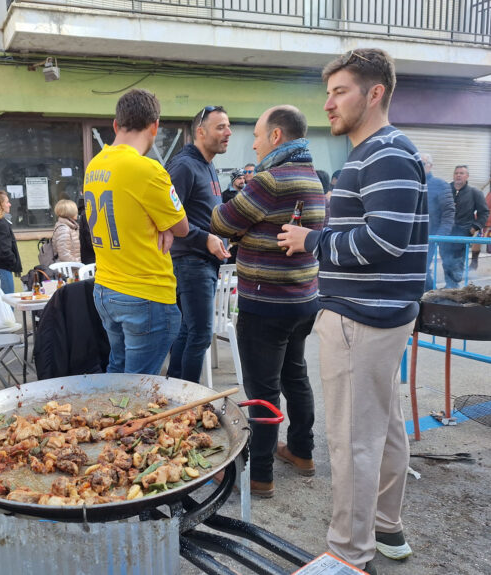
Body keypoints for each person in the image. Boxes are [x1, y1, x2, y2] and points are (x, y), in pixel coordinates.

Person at [278, 48, 427, 575]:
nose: (329, 103)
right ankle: (385, 528)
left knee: (351, 440)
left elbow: (383, 242)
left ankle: (347, 554)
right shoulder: (379, 152)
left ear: (375, 92)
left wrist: (311, 240)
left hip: (361, 318)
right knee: (381, 429)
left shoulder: (384, 152)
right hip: (377, 315)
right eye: (328, 92)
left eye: (340, 91)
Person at [211, 105, 325, 498]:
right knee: (296, 376)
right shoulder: (313, 177)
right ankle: (301, 451)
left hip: (266, 303)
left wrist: (229, 203)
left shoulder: (270, 181)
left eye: (258, 135)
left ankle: (259, 475)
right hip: (303, 300)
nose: (254, 143)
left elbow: (222, 221)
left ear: (277, 136)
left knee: (263, 388)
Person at [84, 88, 189, 375]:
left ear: (116, 125)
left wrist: (157, 222)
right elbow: (181, 227)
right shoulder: (148, 170)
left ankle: (112, 421)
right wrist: (162, 224)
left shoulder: (94, 165)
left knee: (117, 378)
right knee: (139, 392)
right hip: (146, 293)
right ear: (155, 126)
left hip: (106, 289)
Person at [165, 106, 231, 383]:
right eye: (220, 127)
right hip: (191, 261)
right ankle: (188, 399)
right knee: (201, 334)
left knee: (188, 331)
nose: (228, 133)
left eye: (228, 126)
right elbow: (167, 216)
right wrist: (205, 238)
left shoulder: (207, 164)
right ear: (200, 132)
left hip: (205, 261)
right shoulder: (183, 165)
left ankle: (175, 392)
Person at [442, 165, 488, 285]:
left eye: (462, 173)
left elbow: (484, 213)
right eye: (456, 173)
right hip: (445, 234)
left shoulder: (474, 192)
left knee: (458, 264)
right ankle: (449, 288)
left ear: (467, 176)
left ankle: (453, 288)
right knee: (446, 262)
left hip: (463, 234)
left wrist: (474, 228)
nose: (458, 175)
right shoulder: (445, 190)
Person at [421, 154, 455, 290]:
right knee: (416, 270)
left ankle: (429, 298)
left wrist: (441, 235)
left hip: (431, 236)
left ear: (430, 166)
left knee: (423, 268)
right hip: (412, 237)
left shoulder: (440, 184)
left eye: (422, 163)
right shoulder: (411, 183)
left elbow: (449, 211)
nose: (418, 166)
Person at [222, 169, 246, 264]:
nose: (242, 181)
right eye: (239, 178)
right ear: (233, 180)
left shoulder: (248, 192)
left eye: (243, 178)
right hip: (232, 234)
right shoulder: (226, 195)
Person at [52, 199, 81, 264]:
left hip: (73, 268)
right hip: (68, 270)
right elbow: (64, 255)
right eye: (75, 211)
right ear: (70, 212)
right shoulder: (63, 229)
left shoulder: (71, 226)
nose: (77, 213)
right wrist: (79, 264)